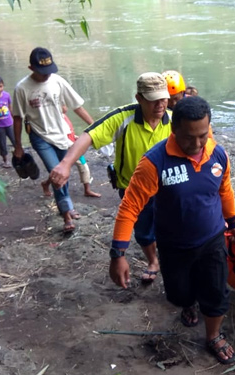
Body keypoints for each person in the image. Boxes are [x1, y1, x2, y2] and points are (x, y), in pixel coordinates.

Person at [109, 96, 235, 365]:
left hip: (212, 240)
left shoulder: (217, 153)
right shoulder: (154, 163)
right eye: (188, 137)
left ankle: (213, 335)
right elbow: (129, 207)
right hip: (173, 245)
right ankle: (188, 304)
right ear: (174, 130)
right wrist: (118, 253)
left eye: (202, 136)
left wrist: (233, 223)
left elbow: (225, 190)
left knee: (216, 293)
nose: (196, 144)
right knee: (179, 294)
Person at [49, 72, 172, 282]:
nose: (160, 105)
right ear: (139, 98)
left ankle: (168, 256)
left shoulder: (174, 120)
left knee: (170, 226)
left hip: (168, 187)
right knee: (142, 231)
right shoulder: (123, 117)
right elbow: (89, 135)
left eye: (163, 98)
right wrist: (66, 163)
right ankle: (153, 260)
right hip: (132, 189)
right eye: (153, 100)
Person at [12, 47, 94, 233]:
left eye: (49, 70)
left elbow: (77, 106)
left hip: (62, 134)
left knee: (64, 172)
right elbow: (17, 118)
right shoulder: (22, 88)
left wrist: (95, 126)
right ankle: (66, 215)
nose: (47, 75)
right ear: (31, 68)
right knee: (57, 174)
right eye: (42, 72)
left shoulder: (57, 81)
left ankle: (65, 204)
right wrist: (18, 146)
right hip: (40, 136)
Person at [41, 105, 100, 198]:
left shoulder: (64, 117)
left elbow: (69, 132)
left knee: (82, 166)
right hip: (64, 146)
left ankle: (87, 190)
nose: (65, 107)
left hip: (71, 145)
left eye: (65, 104)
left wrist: (75, 137)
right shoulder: (55, 120)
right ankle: (47, 184)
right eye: (63, 105)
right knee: (61, 170)